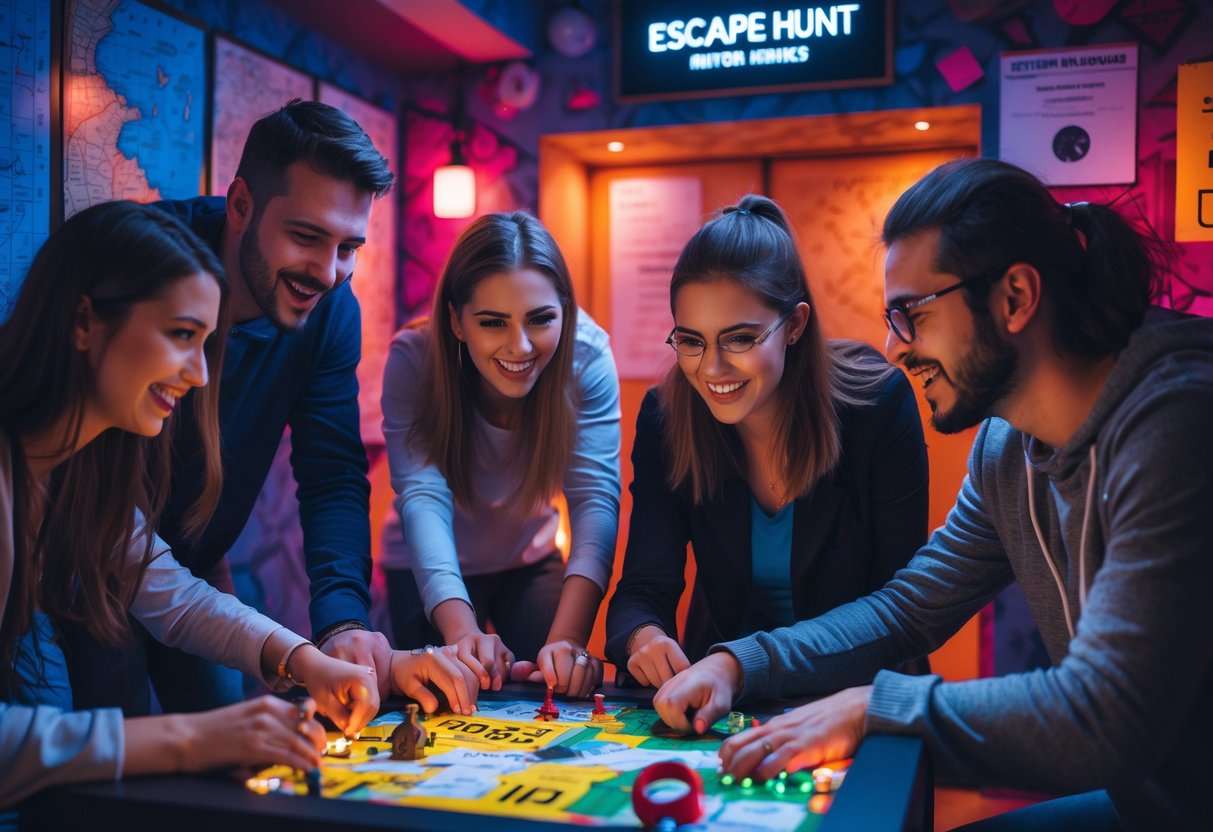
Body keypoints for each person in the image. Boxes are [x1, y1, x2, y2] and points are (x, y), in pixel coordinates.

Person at [653, 159, 1213, 831]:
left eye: (911, 314)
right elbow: (909, 609)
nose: (893, 348)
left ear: (1015, 297)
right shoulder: (1006, 446)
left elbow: (1109, 714)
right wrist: (738, 664)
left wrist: (873, 708)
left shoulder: (1179, 419)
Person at [0, 202, 478, 817]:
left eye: (206, 344)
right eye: (181, 335)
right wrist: (193, 738)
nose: (200, 376)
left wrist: (305, 660)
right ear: (85, 321)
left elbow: (170, 593)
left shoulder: (78, 473)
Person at [66, 100, 395, 713]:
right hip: (90, 559)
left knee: (227, 744)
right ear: (240, 204)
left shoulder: (330, 311)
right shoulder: (145, 264)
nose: (328, 273)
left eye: (349, 247)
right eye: (306, 236)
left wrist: (342, 622)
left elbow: (332, 472)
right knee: (122, 756)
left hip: (194, 561)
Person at [604, 194, 929, 688]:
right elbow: (643, 588)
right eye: (691, 341)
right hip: (723, 691)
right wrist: (643, 636)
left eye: (739, 339)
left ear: (794, 325)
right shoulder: (666, 417)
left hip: (859, 689)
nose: (712, 369)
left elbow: (899, 606)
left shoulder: (877, 405)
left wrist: (748, 664)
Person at [380, 211, 621, 699]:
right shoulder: (413, 360)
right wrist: (461, 630)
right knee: (439, 703)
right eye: (493, 322)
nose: (520, 346)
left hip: (528, 556)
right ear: (456, 320)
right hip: (425, 561)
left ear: (565, 311)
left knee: (552, 692)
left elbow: (594, 497)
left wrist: (570, 639)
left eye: (541, 319)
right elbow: (422, 495)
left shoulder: (588, 356)